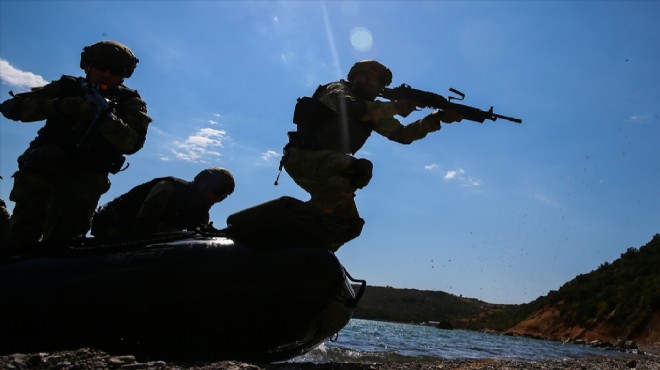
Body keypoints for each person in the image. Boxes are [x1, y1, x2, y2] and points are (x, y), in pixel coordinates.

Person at [280, 60, 462, 249]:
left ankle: (309, 252)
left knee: (348, 225)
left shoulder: (372, 109)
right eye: (365, 76)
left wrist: (436, 119)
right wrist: (397, 107)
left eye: (378, 81)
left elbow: (403, 135)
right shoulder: (338, 89)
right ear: (354, 77)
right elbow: (352, 109)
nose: (371, 83)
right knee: (356, 169)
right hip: (303, 156)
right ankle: (294, 222)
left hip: (329, 165)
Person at [0, 40, 152, 245]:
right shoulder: (67, 88)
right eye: (101, 67)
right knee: (20, 240)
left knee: (64, 247)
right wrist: (61, 105)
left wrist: (106, 120)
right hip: (40, 176)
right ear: (87, 65)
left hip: (84, 184)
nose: (106, 74)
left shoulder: (130, 102)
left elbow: (133, 144)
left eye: (115, 70)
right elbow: (12, 108)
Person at [90, 168, 235, 237]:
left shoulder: (202, 212)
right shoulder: (168, 188)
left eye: (222, 197)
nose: (216, 200)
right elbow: (143, 225)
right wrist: (180, 234)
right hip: (114, 226)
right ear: (203, 185)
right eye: (216, 194)